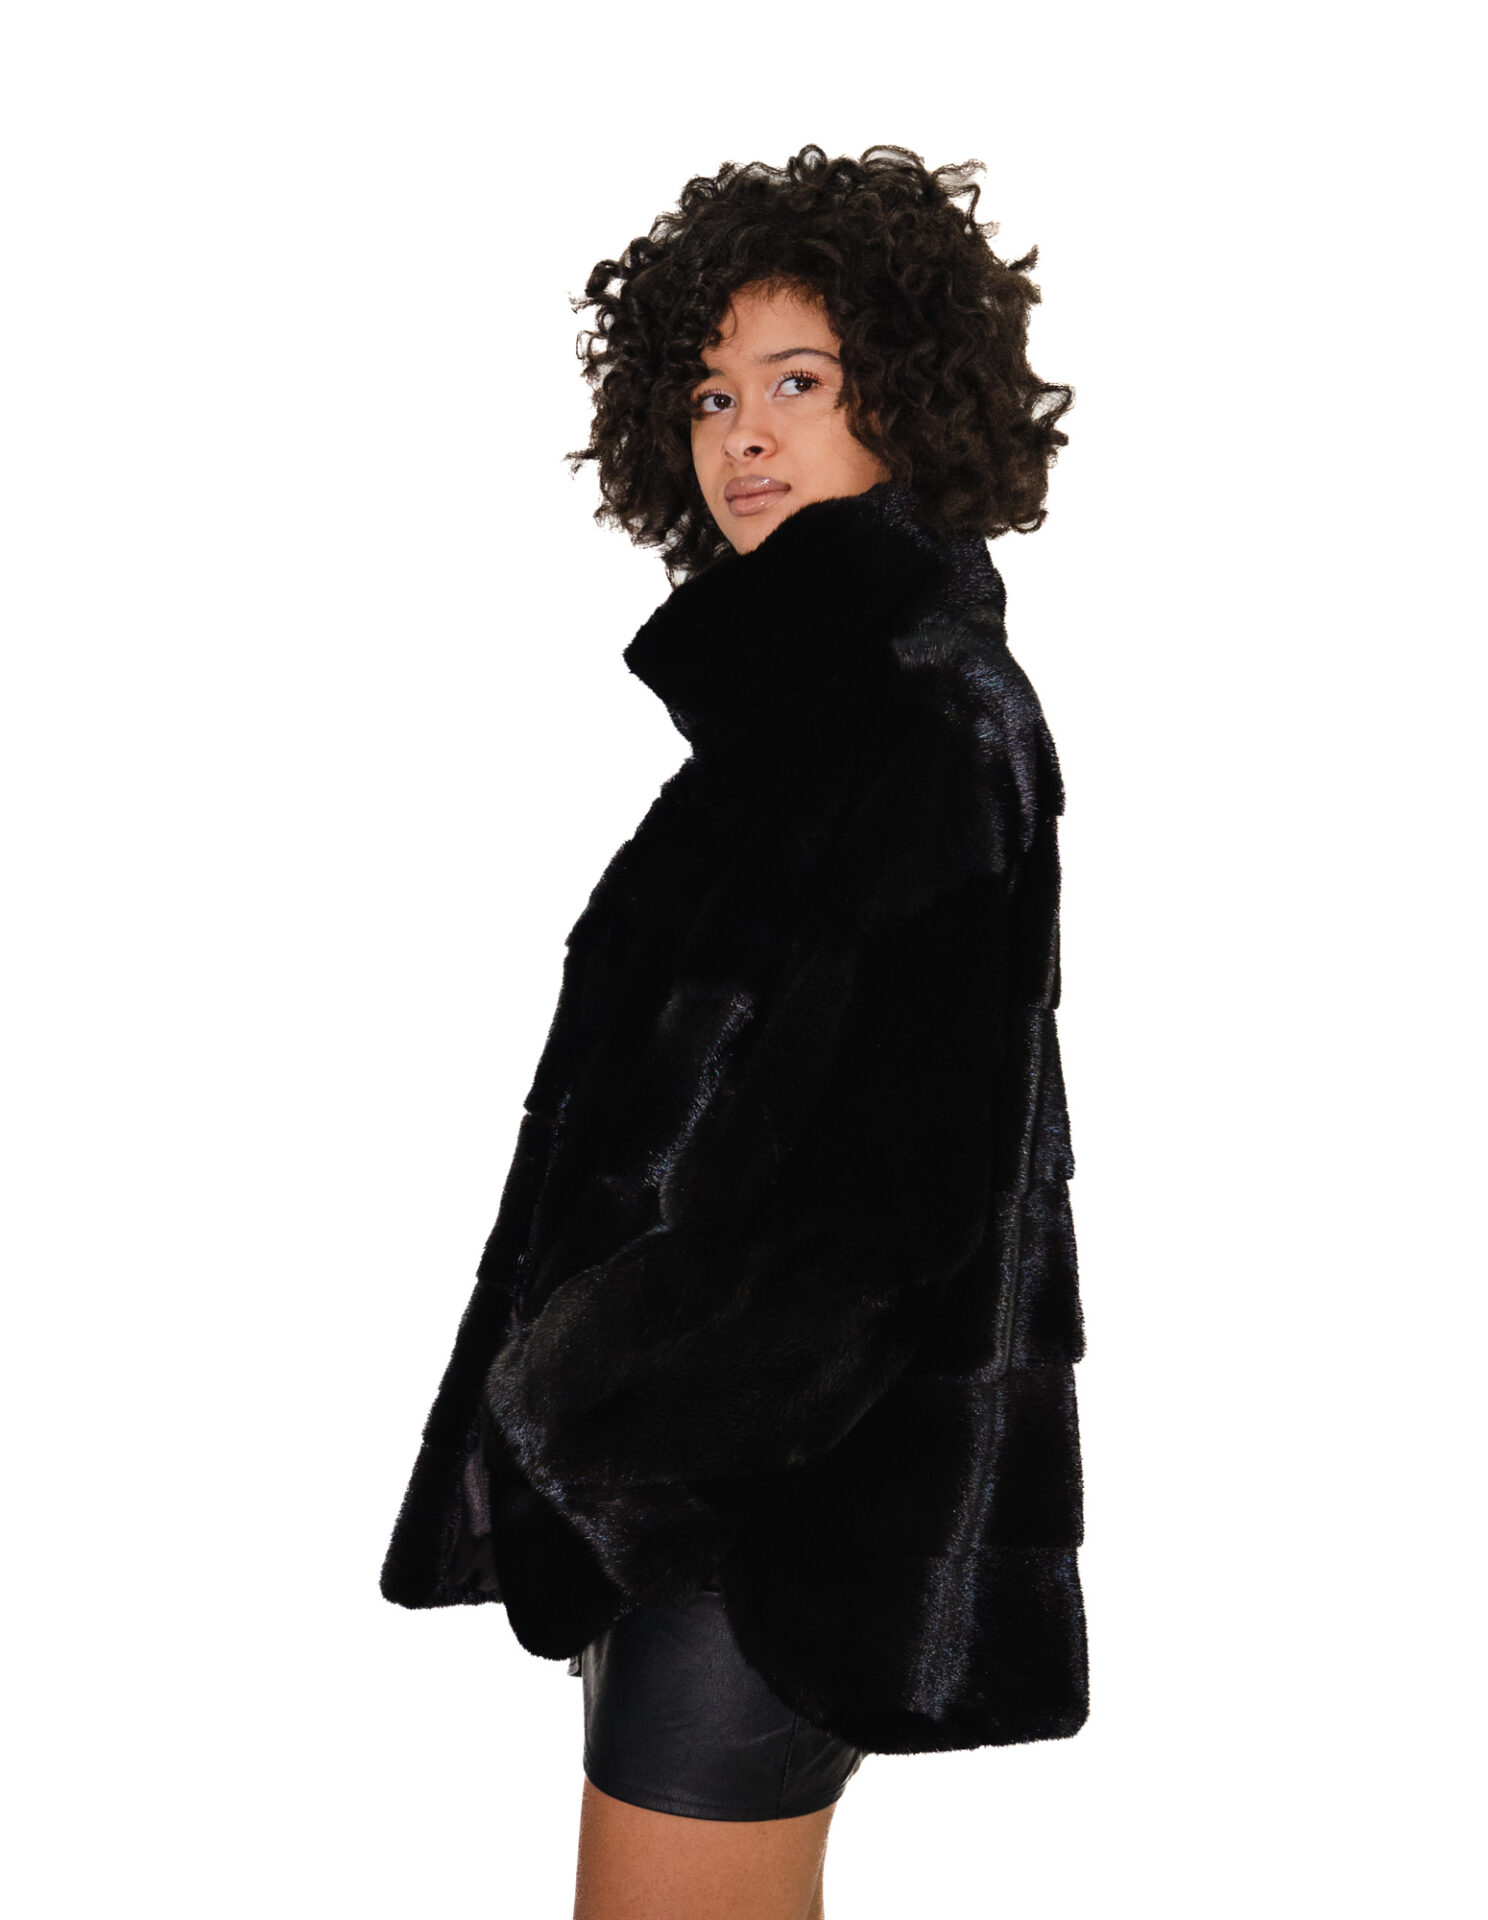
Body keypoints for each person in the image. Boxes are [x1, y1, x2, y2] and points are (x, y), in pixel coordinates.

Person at [380, 142, 1087, 1920]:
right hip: (710, 1510)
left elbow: (891, 1197)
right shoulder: (804, 721)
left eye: (799, 383)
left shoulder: (923, 713)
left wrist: (601, 1425)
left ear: (908, 398)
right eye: (710, 396)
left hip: (765, 1520)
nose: (744, 435)